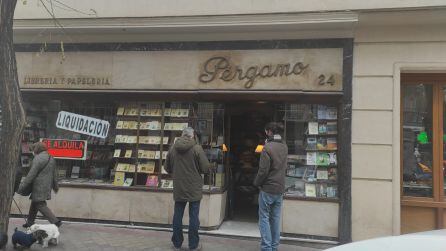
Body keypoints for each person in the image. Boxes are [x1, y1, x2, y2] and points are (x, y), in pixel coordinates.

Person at [165, 127, 210, 251]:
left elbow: (167, 168)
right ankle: (193, 245)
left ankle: (177, 244)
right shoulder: (197, 148)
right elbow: (206, 168)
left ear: (182, 135)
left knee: (177, 215)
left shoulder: (173, 148)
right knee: (194, 217)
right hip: (194, 187)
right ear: (193, 135)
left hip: (179, 187)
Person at [253, 122, 288, 251]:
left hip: (268, 188)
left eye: (266, 131)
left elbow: (263, 171)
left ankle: (266, 247)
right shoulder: (284, 146)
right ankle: (274, 247)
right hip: (280, 188)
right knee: (275, 219)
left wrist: (256, 183)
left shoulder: (267, 148)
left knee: (264, 218)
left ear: (269, 132)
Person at [18, 142, 61, 228]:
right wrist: (55, 186)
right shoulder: (51, 158)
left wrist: (21, 187)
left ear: (37, 149)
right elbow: (55, 174)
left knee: (40, 204)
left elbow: (31, 175)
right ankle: (30, 222)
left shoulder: (37, 159)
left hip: (38, 186)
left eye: (34, 148)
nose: (33, 150)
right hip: (46, 186)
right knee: (35, 202)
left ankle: (55, 221)